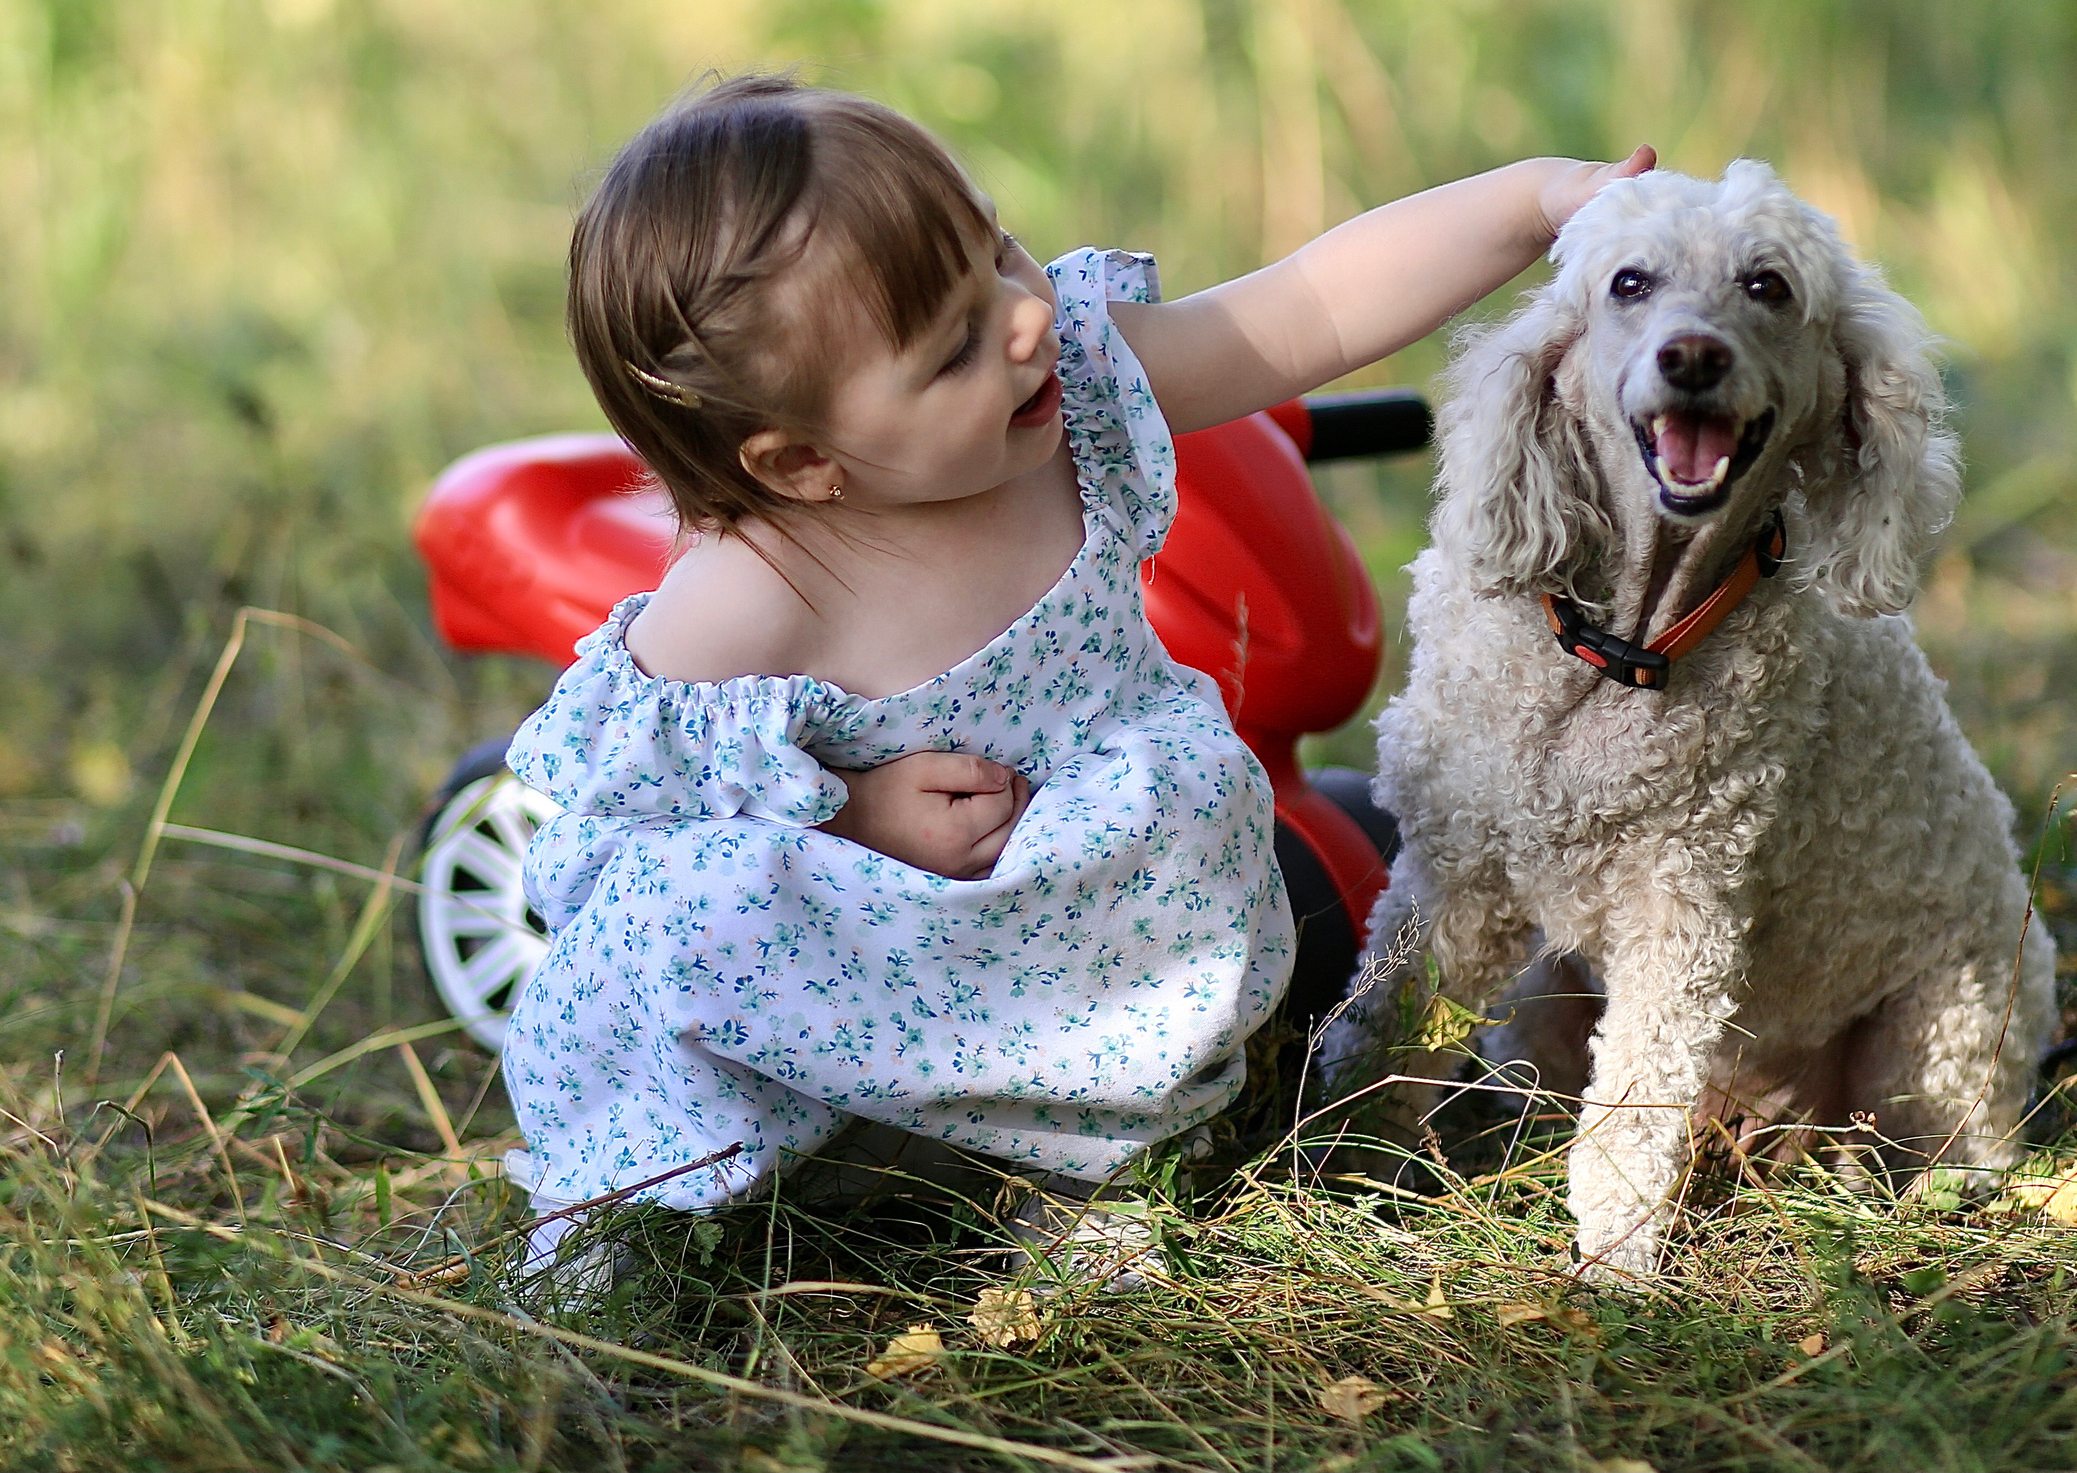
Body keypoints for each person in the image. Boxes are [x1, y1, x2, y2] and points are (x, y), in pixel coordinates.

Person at [498, 71, 1649, 1275]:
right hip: (858, 977)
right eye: (950, 348)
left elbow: (1304, 308)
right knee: (677, 915)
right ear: (800, 464)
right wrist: (854, 812)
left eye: (1000, 251)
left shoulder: (1077, 391)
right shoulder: (757, 587)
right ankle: (660, 1209)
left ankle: (1086, 1163)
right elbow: (611, 843)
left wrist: (1530, 204)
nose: (1023, 317)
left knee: (1190, 794)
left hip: (1070, 925)